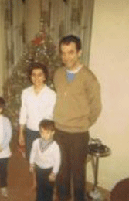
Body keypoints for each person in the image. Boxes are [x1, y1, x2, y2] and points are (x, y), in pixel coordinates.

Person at [53, 35, 102, 201]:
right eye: (63, 53)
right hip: (59, 130)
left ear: (79, 52)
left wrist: (85, 123)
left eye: (71, 52)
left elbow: (96, 106)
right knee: (61, 170)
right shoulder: (58, 74)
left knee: (78, 173)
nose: (66, 57)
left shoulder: (89, 77)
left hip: (78, 134)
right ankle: (63, 197)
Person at [19, 62, 56, 188]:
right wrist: (21, 133)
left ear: (45, 76)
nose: (37, 78)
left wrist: (47, 133)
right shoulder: (25, 93)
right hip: (30, 130)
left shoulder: (51, 94)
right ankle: (35, 180)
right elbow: (23, 113)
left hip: (44, 132)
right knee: (32, 156)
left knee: (45, 157)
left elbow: (50, 116)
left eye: (40, 75)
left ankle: (45, 180)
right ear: (30, 77)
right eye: (34, 75)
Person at [29, 120, 61, 201]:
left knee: (49, 189)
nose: (44, 135)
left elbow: (57, 161)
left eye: (47, 133)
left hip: (49, 170)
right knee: (39, 187)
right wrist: (31, 163)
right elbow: (33, 153)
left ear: (53, 132)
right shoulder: (36, 142)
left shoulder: (55, 146)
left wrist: (54, 173)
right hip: (39, 169)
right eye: (42, 132)